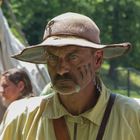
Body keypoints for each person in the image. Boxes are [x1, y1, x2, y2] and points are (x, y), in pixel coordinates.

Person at [0, 12, 140, 140]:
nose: (61, 70)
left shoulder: (132, 116)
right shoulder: (21, 117)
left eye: (73, 57)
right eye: (53, 58)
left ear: (97, 59)